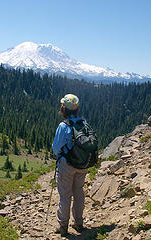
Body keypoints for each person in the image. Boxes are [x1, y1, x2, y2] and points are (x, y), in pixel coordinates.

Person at [52, 94, 88, 236]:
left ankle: (63, 226)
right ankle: (78, 223)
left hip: (67, 165)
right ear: (77, 108)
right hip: (83, 164)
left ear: (63, 108)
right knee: (79, 192)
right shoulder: (84, 122)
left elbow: (56, 148)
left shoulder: (63, 125)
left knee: (65, 195)